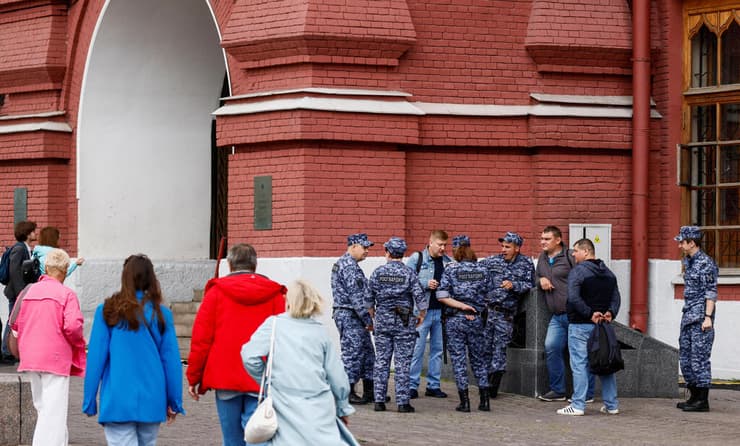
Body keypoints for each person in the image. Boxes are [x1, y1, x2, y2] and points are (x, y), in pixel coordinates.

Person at [187, 243, 286, 446]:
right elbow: (282, 338)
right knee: (259, 435)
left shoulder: (216, 293)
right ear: (255, 265)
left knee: (231, 438)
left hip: (225, 373)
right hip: (261, 374)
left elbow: (201, 339)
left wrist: (194, 376)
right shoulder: (275, 295)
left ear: (230, 264)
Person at [241, 280, 360, 446]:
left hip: (283, 398)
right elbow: (337, 375)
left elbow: (249, 355)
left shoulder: (274, 325)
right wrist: (342, 406)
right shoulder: (320, 331)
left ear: (288, 301)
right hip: (318, 403)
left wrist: (267, 381)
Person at [83, 254, 184, 445]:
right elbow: (171, 361)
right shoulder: (162, 313)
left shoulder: (107, 311)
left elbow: (96, 358)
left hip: (117, 398)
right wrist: (174, 401)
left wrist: (89, 400)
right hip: (152, 398)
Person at [13, 248, 86, 446]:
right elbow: (73, 327)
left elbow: (16, 324)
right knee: (54, 412)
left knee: (43, 408)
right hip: (55, 357)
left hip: (30, 357)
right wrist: (79, 343)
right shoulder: (67, 295)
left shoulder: (27, 292)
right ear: (64, 270)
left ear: (46, 268)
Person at [557, 238, 621, 416]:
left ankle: (577, 405)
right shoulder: (608, 273)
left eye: (576, 251)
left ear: (586, 252)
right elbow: (616, 298)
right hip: (603, 327)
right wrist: (610, 312)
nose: (573, 254)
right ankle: (611, 405)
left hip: (580, 325)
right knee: (605, 364)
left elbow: (573, 298)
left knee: (579, 364)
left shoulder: (577, 272)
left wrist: (589, 313)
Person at [366, 237, 427, 412]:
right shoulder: (409, 273)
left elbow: (369, 301)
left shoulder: (378, 272)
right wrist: (421, 316)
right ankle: (402, 402)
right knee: (402, 363)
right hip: (404, 323)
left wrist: (375, 316)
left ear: (387, 252)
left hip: (383, 322)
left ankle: (379, 400)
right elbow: (420, 299)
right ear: (403, 254)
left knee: (381, 361)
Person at [536, 226, 594, 403]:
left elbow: (587, 276)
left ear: (558, 240)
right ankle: (558, 390)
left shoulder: (570, 256)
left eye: (547, 239)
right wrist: (541, 280)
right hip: (556, 316)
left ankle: (587, 393)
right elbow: (534, 276)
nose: (543, 242)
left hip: (575, 315)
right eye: (542, 238)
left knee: (582, 354)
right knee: (551, 347)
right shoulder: (542, 258)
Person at [436, 241, 495, 412]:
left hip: (456, 319)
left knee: (459, 360)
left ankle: (465, 402)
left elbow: (441, 296)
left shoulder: (451, 270)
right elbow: (491, 295)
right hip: (476, 320)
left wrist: (462, 306)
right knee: (479, 360)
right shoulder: (483, 271)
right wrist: (475, 309)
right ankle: (485, 401)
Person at [480, 231, 535, 398]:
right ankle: (484, 382)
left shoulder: (526, 263)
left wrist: (514, 285)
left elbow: (530, 285)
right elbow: (477, 271)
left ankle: (493, 386)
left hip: (506, 315)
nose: (503, 249)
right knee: (485, 348)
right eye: (502, 246)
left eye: (507, 246)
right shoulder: (492, 261)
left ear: (517, 248)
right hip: (489, 312)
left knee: (500, 349)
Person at [674, 226, 717, 412]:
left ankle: (702, 401)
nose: (680, 245)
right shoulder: (689, 261)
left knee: (699, 359)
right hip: (688, 316)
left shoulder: (706, 263)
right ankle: (693, 397)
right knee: (686, 358)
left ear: (692, 243)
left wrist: (708, 317)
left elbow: (711, 292)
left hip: (700, 318)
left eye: (682, 242)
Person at [406, 229, 452, 399]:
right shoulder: (417, 258)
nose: (443, 248)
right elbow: (406, 281)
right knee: (417, 350)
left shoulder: (448, 262)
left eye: (445, 245)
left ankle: (433, 385)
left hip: (440, 313)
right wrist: (425, 283)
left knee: (438, 350)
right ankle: (411, 385)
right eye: (440, 244)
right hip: (421, 313)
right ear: (430, 242)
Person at [331, 233, 376, 405]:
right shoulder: (348, 266)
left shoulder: (350, 265)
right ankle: (346, 392)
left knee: (367, 353)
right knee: (352, 354)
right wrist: (368, 320)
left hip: (353, 315)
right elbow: (357, 298)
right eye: (364, 248)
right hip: (350, 315)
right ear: (353, 246)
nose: (366, 251)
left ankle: (369, 391)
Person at [2, 220, 37, 362]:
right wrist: (21, 293)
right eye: (33, 231)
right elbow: (14, 271)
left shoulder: (26, 248)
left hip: (21, 293)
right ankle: (6, 351)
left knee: (16, 320)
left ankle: (11, 350)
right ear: (27, 233)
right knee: (12, 320)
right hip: (17, 294)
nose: (36, 233)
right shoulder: (19, 249)